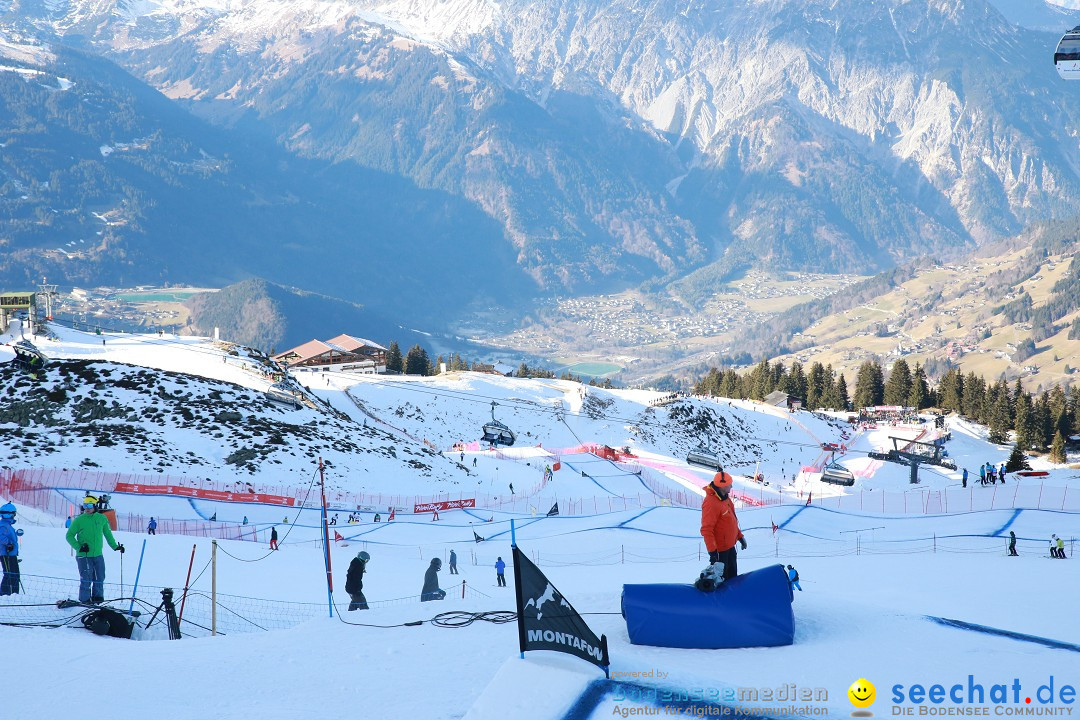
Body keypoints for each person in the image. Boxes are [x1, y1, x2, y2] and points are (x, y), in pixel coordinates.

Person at [65, 495, 124, 603]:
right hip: (84, 556)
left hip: (97, 555)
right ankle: (85, 600)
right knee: (86, 579)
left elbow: (108, 534)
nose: (87, 508)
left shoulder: (101, 518)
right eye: (85, 505)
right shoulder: (79, 520)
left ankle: (98, 599)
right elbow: (69, 535)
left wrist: (115, 547)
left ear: (95, 506)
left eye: (90, 505)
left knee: (99, 578)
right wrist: (79, 547)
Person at [700, 471, 746, 581]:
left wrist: (740, 536)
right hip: (720, 553)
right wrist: (713, 553)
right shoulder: (711, 503)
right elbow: (707, 529)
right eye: (729, 484)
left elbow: (730, 521)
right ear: (722, 486)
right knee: (721, 582)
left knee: (732, 578)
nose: (731, 486)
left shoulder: (725, 498)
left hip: (730, 548)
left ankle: (733, 597)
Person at [0, 503, 20, 596]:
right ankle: (4, 594)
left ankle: (14, 593)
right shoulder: (4, 525)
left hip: (11, 554)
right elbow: (1, 536)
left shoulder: (7, 525)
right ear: (9, 514)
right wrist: (9, 544)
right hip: (6, 553)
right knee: (9, 574)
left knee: (15, 574)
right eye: (13, 514)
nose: (14, 516)